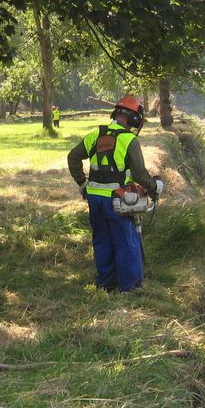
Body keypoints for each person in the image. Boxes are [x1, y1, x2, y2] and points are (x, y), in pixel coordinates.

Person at [67, 95, 162, 293]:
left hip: (94, 199)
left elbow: (73, 157)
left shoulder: (96, 134)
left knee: (102, 241)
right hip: (118, 200)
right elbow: (140, 175)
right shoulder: (129, 140)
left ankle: (106, 283)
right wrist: (154, 187)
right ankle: (130, 287)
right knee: (127, 242)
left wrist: (82, 184)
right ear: (134, 119)